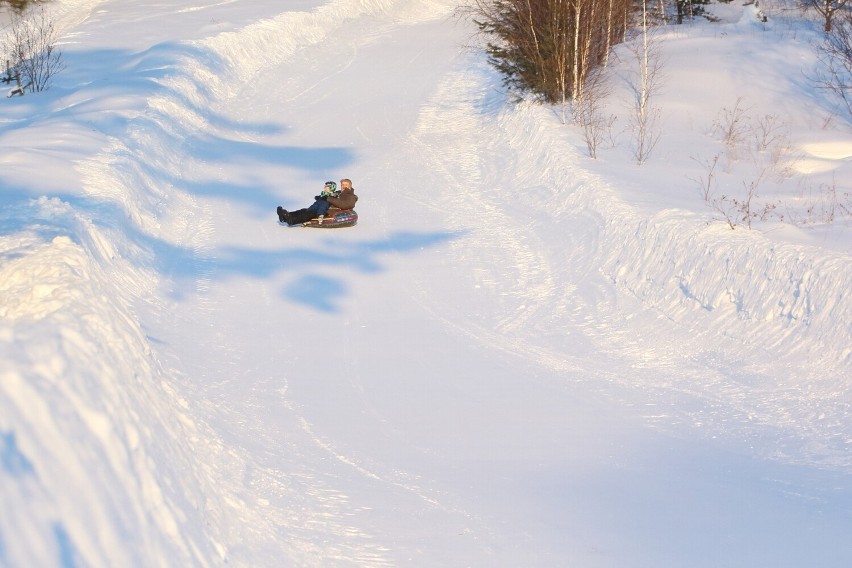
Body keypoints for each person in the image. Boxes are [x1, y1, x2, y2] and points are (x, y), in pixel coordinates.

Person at [277, 179, 358, 226]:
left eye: (346, 185)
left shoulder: (351, 196)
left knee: (309, 213)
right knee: (304, 210)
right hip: (323, 208)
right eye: (342, 184)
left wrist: (328, 198)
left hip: (328, 211)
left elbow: (345, 205)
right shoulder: (339, 193)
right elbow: (329, 196)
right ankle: (285, 216)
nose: (344, 186)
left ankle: (292, 220)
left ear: (350, 186)